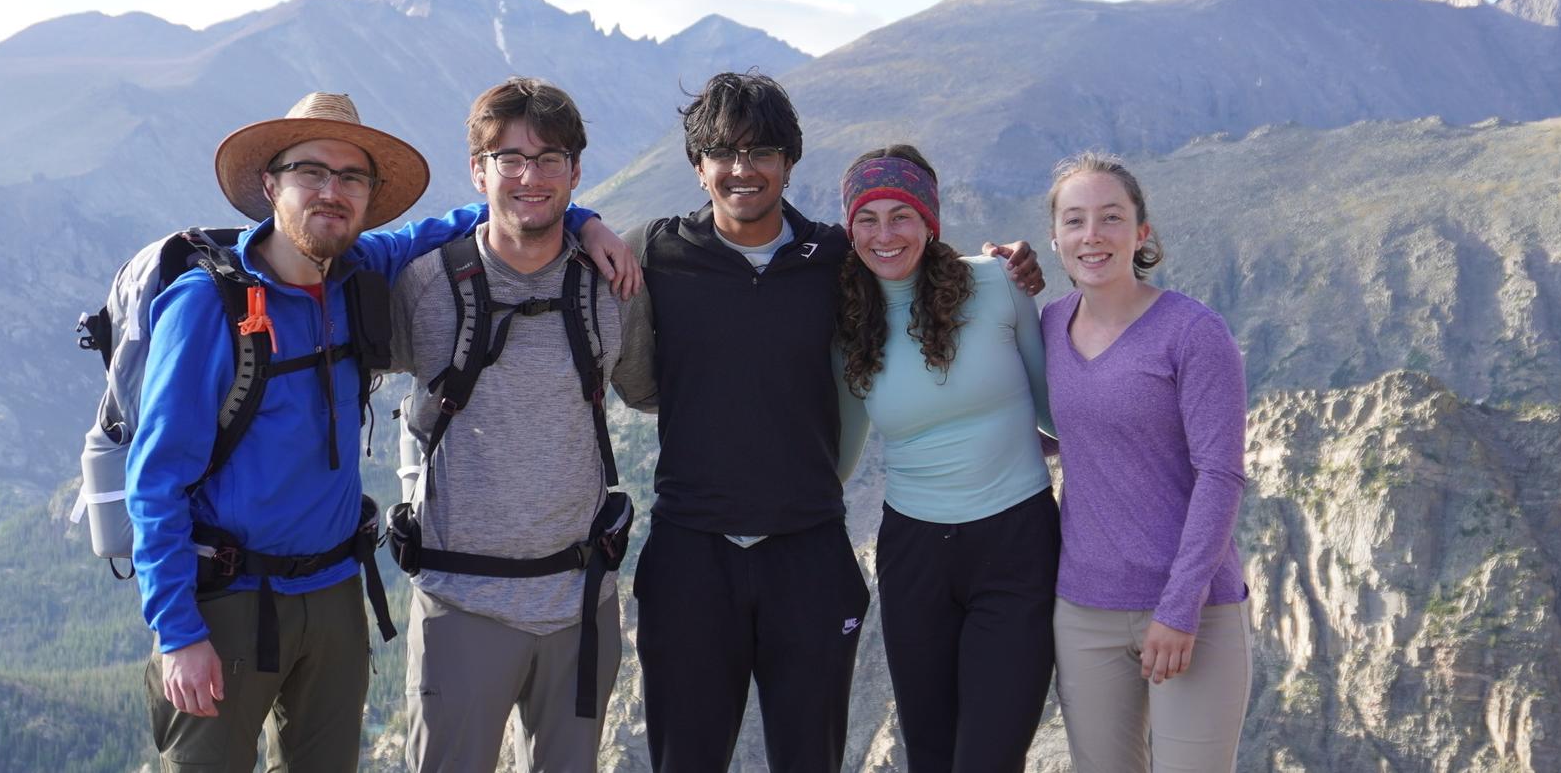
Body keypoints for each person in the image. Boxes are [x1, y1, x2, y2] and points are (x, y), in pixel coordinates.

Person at [127, 91, 632, 772]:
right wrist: (176, 629)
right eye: (311, 172)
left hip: (335, 592)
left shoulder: (362, 272)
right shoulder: (207, 304)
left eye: (351, 177)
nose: (331, 192)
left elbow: (502, 205)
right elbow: (155, 480)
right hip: (228, 601)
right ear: (270, 184)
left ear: (367, 196)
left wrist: (582, 217)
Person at [617, 72, 1045, 773]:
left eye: (760, 151)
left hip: (808, 552)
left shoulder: (837, 261)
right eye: (721, 152)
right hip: (690, 552)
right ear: (697, 168)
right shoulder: (651, 253)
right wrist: (585, 224)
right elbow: (561, 272)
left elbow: (916, 265)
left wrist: (1010, 265)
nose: (741, 169)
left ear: (789, 161)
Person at [389, 78, 651, 772]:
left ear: (575, 172)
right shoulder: (422, 283)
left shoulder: (610, 285)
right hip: (459, 604)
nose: (530, 177)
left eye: (549, 159)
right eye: (509, 159)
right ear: (478, 170)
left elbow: (660, 392)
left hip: (582, 602)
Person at [836, 144, 1059, 772]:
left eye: (900, 215)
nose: (884, 235)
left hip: (1017, 547)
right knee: (931, 759)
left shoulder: (998, 284)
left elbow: (1056, 415)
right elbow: (841, 459)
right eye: (867, 219)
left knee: (989, 759)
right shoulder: (849, 324)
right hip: (914, 559)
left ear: (929, 221)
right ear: (849, 228)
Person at [1039, 151, 1251, 772]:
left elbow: (1222, 473)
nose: (1093, 235)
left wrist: (1179, 606)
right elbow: (1068, 431)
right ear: (1056, 238)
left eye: (1111, 217)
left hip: (1193, 610)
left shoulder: (1193, 333)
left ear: (1141, 232)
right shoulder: (1051, 325)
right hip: (1084, 610)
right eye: (1075, 221)